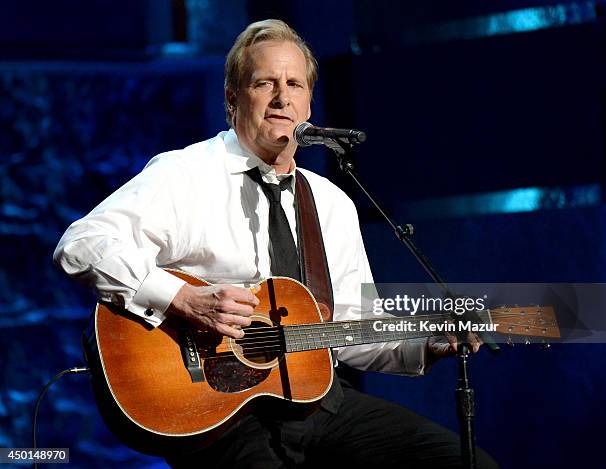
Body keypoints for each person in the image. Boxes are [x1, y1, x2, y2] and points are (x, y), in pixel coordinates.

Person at [54, 19, 497, 469]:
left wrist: (427, 344)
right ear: (232, 98)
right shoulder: (185, 175)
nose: (282, 97)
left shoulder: (330, 202)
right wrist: (184, 299)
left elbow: (352, 329)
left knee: (467, 463)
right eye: (265, 83)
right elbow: (81, 245)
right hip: (223, 415)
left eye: (294, 84)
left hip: (320, 406)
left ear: (308, 103)